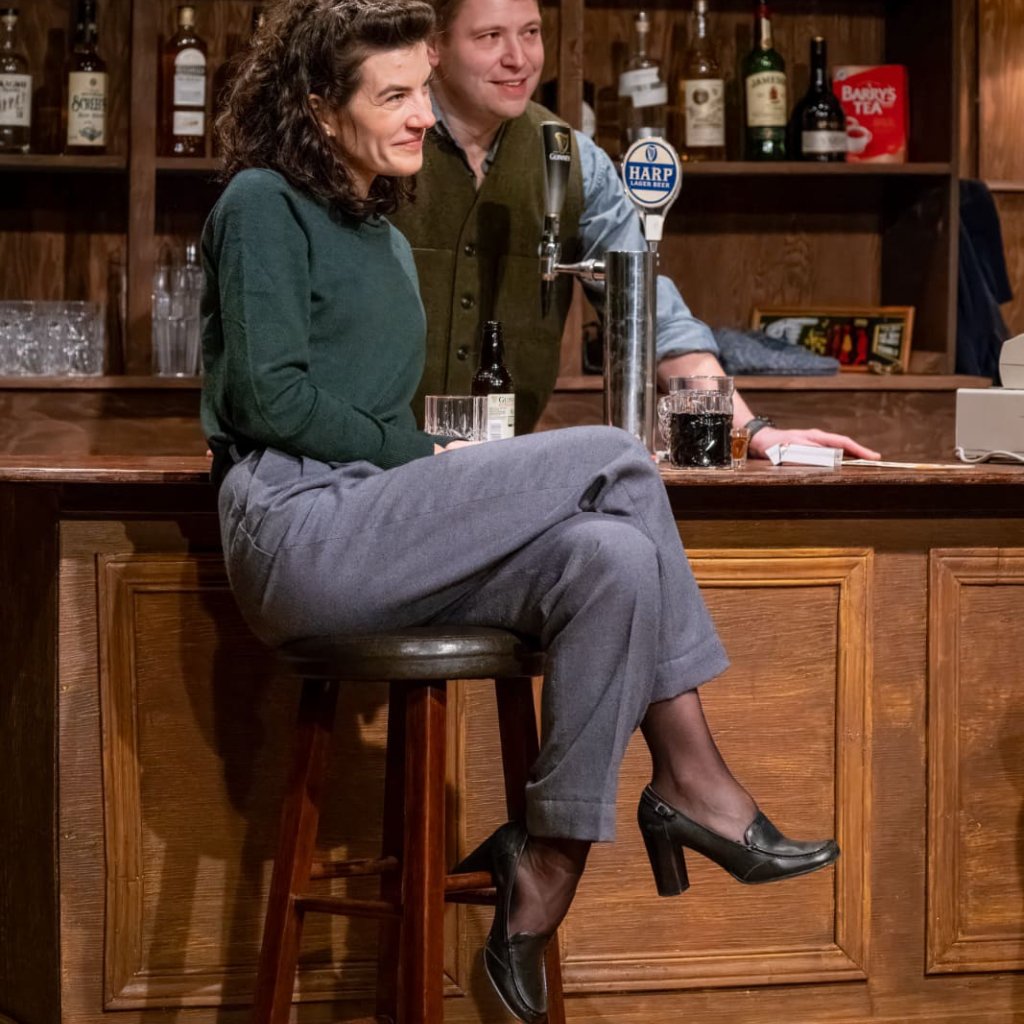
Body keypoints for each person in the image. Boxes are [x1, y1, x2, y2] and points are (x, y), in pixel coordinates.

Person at [202, 2, 839, 1022]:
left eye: (419, 90)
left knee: (610, 563)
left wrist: (751, 424)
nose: (420, 116)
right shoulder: (260, 205)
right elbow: (265, 401)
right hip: (297, 527)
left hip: (382, 517)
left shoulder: (378, 225)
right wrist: (426, 454)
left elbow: (646, 285)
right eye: (396, 95)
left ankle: (544, 858)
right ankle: (690, 776)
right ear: (320, 108)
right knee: (613, 462)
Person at [389, 0, 881, 461]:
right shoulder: (381, 143)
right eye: (490, 36)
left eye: (532, 33)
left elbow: (653, 314)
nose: (518, 58)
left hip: (504, 467)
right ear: (435, 46)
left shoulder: (577, 160)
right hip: (374, 464)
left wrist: (751, 431)